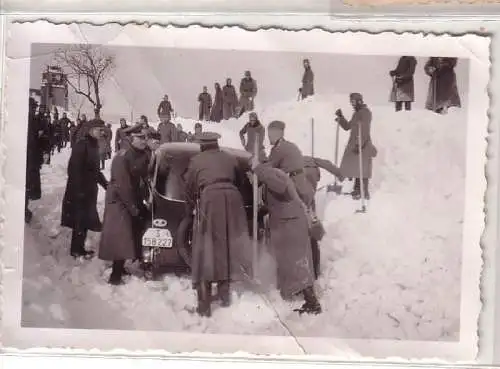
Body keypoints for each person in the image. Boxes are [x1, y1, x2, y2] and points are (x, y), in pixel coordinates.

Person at [184, 131, 250, 317]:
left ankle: (204, 304)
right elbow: (241, 181)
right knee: (228, 244)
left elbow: (188, 187)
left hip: (210, 199)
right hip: (233, 198)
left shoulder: (196, 160)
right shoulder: (229, 157)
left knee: (204, 248)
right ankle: (224, 296)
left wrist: (189, 211)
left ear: (202, 145)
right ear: (216, 144)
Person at [251, 161, 321, 315]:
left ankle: (313, 303)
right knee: (293, 262)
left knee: (297, 262)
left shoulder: (276, 177)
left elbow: (280, 188)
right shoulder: (276, 179)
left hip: (291, 224)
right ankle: (300, 295)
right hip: (289, 223)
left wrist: (257, 169)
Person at [99, 131, 151, 285]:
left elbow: (143, 177)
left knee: (126, 234)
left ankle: (120, 268)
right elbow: (123, 185)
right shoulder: (122, 157)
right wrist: (133, 207)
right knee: (120, 236)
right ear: (131, 139)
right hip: (119, 200)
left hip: (129, 198)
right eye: (140, 138)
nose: (144, 140)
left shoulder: (138, 154)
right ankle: (115, 276)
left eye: (145, 137)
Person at [61, 122, 108, 259]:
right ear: (91, 130)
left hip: (89, 190)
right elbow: (73, 169)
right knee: (79, 220)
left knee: (85, 220)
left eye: (102, 130)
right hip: (79, 190)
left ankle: (79, 247)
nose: (101, 132)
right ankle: (76, 249)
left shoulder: (93, 144)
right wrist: (79, 190)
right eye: (99, 130)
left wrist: (106, 184)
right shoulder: (82, 144)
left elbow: (95, 170)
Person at [335, 93, 376, 200]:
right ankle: (357, 190)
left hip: (363, 144)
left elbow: (365, 130)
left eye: (353, 102)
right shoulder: (356, 113)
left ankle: (364, 192)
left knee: (363, 168)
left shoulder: (365, 113)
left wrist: (359, 144)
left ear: (359, 101)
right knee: (356, 166)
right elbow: (348, 127)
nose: (352, 104)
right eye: (351, 102)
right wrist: (340, 117)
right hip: (355, 144)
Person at [267, 120, 314, 208]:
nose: (268, 136)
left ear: (278, 133)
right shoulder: (291, 145)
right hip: (305, 187)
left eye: (270, 133)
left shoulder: (278, 148)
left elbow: (267, 169)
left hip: (294, 191)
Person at [25, 98, 47, 223]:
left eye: (35, 108)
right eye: (32, 107)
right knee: (26, 185)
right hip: (29, 159)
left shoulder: (35, 120)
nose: (34, 109)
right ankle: (24, 210)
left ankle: (24, 209)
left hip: (31, 158)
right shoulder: (31, 120)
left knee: (26, 185)